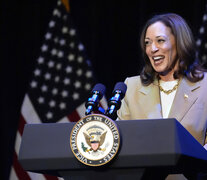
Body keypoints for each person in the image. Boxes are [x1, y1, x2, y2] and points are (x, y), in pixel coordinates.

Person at [117, 13, 207, 180]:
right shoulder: (132, 86)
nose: (152, 49)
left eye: (160, 40)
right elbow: (122, 143)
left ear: (179, 43)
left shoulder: (204, 86)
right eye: (147, 43)